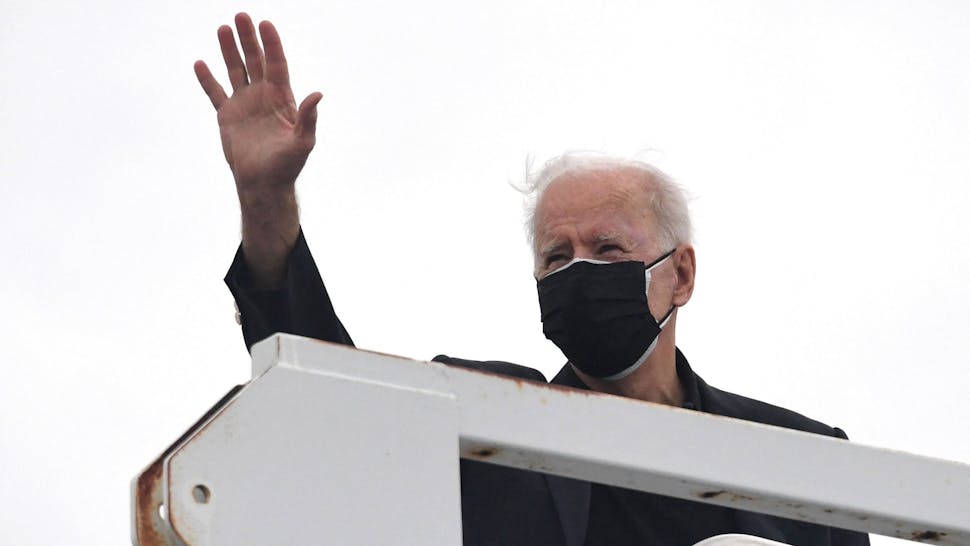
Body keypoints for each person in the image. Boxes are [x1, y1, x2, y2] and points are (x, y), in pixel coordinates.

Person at [195, 13, 870, 546]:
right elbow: (325, 398)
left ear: (681, 274)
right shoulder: (478, 416)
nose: (579, 272)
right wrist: (264, 198)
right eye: (556, 257)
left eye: (607, 249)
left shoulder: (802, 456)